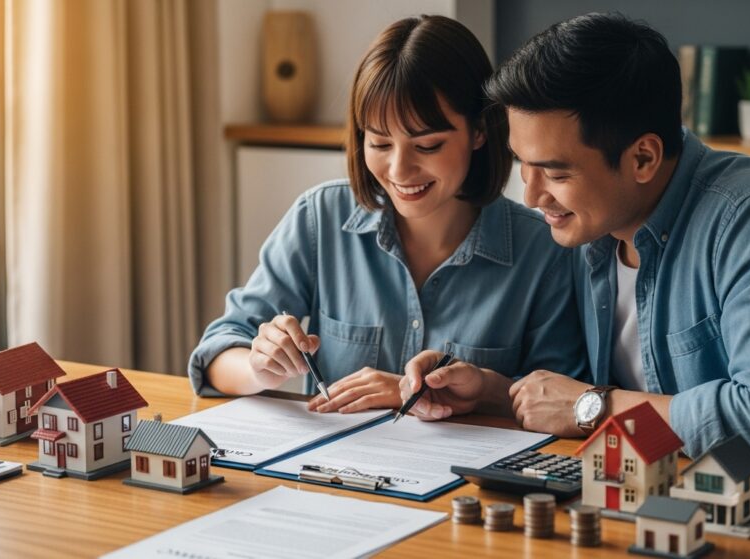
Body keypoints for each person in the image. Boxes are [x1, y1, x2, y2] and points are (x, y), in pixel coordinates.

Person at [400, 13, 750, 466]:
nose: (531, 197)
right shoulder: (587, 232)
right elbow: (587, 410)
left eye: (553, 172)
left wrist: (596, 406)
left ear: (643, 159)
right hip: (668, 503)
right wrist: (491, 392)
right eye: (523, 166)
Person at [188, 15, 587, 414]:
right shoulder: (320, 218)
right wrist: (260, 368)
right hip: (325, 471)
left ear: (480, 130)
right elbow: (217, 353)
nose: (399, 171)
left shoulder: (543, 249)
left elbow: (562, 403)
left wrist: (437, 391)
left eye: (427, 145)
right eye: (379, 143)